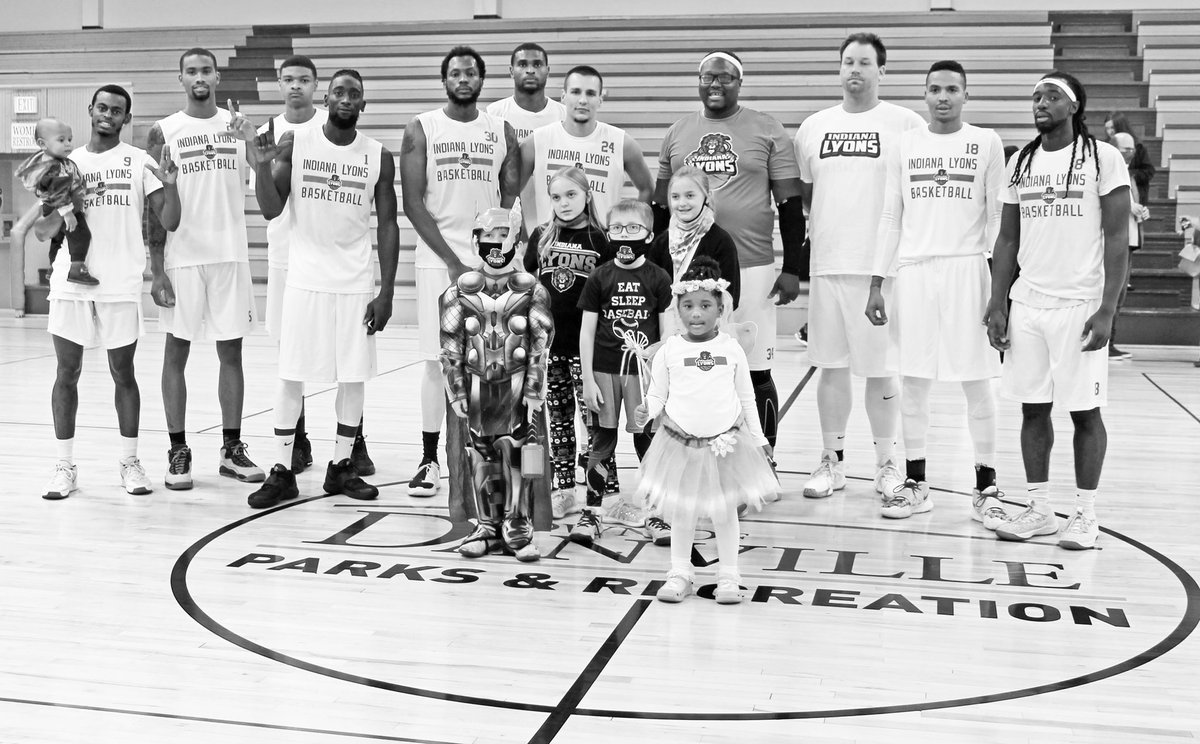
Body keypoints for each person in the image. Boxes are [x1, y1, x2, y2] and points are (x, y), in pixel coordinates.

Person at [984, 71, 1130, 550]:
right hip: (1028, 303)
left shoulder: (1102, 159)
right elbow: (1006, 239)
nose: (1040, 103)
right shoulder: (1020, 162)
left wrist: (1107, 309)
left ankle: (1086, 515)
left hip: (1080, 304)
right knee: (1032, 409)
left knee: (1085, 412)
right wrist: (998, 301)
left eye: (1051, 96)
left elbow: (1116, 239)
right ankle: (1040, 509)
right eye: (1035, 97)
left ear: (1074, 106)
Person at [243, 68, 399, 509]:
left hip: (354, 282)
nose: (347, 99)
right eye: (339, 92)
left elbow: (387, 224)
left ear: (363, 104)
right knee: (291, 373)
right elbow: (272, 210)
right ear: (326, 100)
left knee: (353, 377)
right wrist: (260, 166)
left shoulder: (378, 156)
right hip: (305, 278)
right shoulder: (297, 144)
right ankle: (281, 469)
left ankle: (340, 466)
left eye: (355, 93)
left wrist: (386, 290)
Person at [865, 61, 1006, 523]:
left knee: (978, 381)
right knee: (915, 382)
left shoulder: (986, 142)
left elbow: (998, 220)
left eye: (952, 89)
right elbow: (890, 217)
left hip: (969, 269)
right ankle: (916, 483)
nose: (943, 97)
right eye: (934, 89)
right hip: (916, 273)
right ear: (924, 95)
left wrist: (1000, 288)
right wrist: (876, 282)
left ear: (967, 95)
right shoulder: (905, 144)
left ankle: (986, 486)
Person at [794, 32, 926, 500]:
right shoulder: (813, 127)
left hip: (882, 269)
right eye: (848, 61)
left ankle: (888, 462)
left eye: (865, 63)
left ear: (881, 71)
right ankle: (832, 461)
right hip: (829, 263)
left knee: (880, 370)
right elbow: (810, 196)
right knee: (830, 368)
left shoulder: (907, 123)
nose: (855, 69)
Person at [34, 85, 181, 499]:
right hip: (71, 280)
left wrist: (170, 185)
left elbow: (169, 221)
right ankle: (65, 467)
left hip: (120, 282)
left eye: (117, 110)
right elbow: (49, 225)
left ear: (126, 119)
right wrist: (48, 204)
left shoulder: (140, 161)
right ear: (90, 110)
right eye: (102, 107)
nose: (108, 115)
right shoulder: (66, 161)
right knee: (67, 373)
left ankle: (130, 462)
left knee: (123, 374)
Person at [658, 50, 805, 454]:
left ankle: (764, 457)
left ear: (740, 83)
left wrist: (792, 267)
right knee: (686, 369)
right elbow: (659, 209)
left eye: (724, 77)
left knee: (754, 369)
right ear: (698, 82)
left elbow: (791, 206)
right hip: (685, 270)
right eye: (707, 77)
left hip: (753, 267)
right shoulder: (677, 132)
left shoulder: (767, 128)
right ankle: (688, 458)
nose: (715, 84)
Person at [399, 45, 520, 497]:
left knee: (494, 364)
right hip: (438, 262)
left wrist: (498, 253)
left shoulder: (500, 129)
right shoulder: (422, 128)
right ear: (444, 79)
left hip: (492, 266)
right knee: (436, 363)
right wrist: (452, 260)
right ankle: (430, 459)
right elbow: (413, 203)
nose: (463, 78)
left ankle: (491, 455)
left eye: (471, 72)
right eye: (455, 72)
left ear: (482, 80)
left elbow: (508, 196)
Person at [147, 47, 264, 490]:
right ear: (180, 78)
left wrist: (252, 140)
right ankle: (178, 450)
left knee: (230, 353)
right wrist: (156, 270)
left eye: (206, 70)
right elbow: (154, 207)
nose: (200, 76)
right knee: (176, 353)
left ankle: (231, 449)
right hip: (183, 257)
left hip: (230, 254)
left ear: (217, 77)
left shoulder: (237, 126)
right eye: (191, 71)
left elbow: (267, 177)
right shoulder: (163, 131)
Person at [634, 257, 776, 604]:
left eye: (705, 306)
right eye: (688, 306)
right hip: (679, 446)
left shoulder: (731, 349)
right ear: (677, 310)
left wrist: (758, 440)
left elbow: (746, 398)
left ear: (720, 309)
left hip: (724, 447)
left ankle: (728, 577)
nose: (696, 314)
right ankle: (680, 572)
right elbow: (658, 394)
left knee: (724, 513)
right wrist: (646, 410)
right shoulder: (670, 350)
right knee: (682, 512)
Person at [441, 207, 553, 561]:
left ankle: (518, 525)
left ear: (516, 241)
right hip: (477, 386)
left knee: (519, 453)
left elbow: (541, 339)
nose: (494, 246)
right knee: (481, 453)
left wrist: (535, 386)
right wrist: (456, 388)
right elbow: (449, 341)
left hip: (518, 383)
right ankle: (488, 524)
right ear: (475, 241)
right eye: (486, 238)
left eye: (501, 238)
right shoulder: (458, 290)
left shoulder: (532, 289)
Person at [573, 200, 672, 546]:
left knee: (648, 443)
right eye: (617, 229)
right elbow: (586, 332)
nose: (624, 236)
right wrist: (586, 378)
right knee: (601, 442)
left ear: (649, 234)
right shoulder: (600, 276)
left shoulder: (659, 278)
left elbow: (668, 334)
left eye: (633, 229)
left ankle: (656, 514)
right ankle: (593, 513)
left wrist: (658, 363)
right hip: (603, 372)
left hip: (642, 377)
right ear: (608, 233)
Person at [523, 167, 615, 521]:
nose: (564, 203)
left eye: (571, 195)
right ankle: (563, 489)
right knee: (559, 421)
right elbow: (526, 281)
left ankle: (603, 492)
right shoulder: (541, 236)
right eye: (557, 197)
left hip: (589, 348)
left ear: (587, 196)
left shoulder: (601, 239)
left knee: (597, 423)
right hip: (550, 346)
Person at [520, 65, 654, 230]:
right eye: (576, 92)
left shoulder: (623, 143)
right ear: (563, 96)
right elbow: (511, 193)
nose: (582, 100)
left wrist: (633, 231)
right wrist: (527, 234)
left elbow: (647, 188)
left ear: (600, 99)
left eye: (590, 93)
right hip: (549, 247)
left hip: (602, 250)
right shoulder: (536, 141)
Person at [648, 165, 741, 338]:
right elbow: (651, 291)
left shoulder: (721, 240)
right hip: (666, 331)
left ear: (707, 196)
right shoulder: (661, 242)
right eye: (675, 197)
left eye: (690, 195)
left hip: (707, 333)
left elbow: (730, 295)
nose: (682, 203)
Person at [486, 42, 566, 234]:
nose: (530, 70)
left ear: (548, 70)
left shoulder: (563, 115)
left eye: (537, 65)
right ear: (511, 71)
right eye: (522, 65)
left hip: (553, 216)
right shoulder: (494, 114)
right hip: (507, 217)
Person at [16, 118, 96, 286]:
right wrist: (68, 213)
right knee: (81, 234)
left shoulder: (57, 161)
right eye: (61, 140)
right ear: (42, 144)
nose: (68, 144)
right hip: (63, 207)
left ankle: (53, 266)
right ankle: (77, 268)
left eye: (69, 139)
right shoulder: (53, 166)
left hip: (57, 206)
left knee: (58, 240)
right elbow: (58, 190)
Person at [1108, 130, 1151, 361]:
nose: (1131, 152)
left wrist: (1141, 209)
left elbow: (1133, 203)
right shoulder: (1107, 171)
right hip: (1114, 242)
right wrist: (1128, 206)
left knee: (1120, 296)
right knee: (1112, 293)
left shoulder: (1130, 175)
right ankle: (1105, 343)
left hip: (1130, 242)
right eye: (1126, 148)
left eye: (1133, 148)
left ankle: (1111, 343)